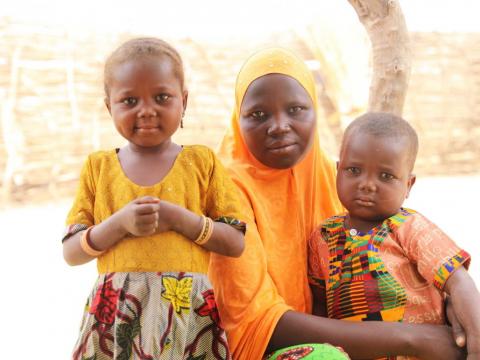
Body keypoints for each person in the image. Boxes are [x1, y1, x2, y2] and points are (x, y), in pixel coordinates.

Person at [208, 47, 467, 360]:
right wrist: (411, 338)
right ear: (238, 119)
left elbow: (403, 250)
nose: (279, 125)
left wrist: (453, 302)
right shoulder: (226, 192)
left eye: (295, 109)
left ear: (314, 110)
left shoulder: (332, 176)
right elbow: (255, 323)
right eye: (258, 114)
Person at [62, 37, 246, 360]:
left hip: (187, 315)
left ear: (183, 102)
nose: (146, 110)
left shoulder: (202, 163)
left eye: (162, 97)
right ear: (109, 107)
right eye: (129, 100)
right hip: (116, 318)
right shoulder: (98, 168)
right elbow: (72, 252)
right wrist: (119, 223)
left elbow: (235, 242)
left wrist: (180, 219)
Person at [308, 112, 480, 359]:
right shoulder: (322, 237)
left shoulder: (411, 228)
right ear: (337, 171)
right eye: (354, 170)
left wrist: (475, 344)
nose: (367, 184)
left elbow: (460, 282)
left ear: (408, 185)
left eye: (386, 176)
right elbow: (320, 307)